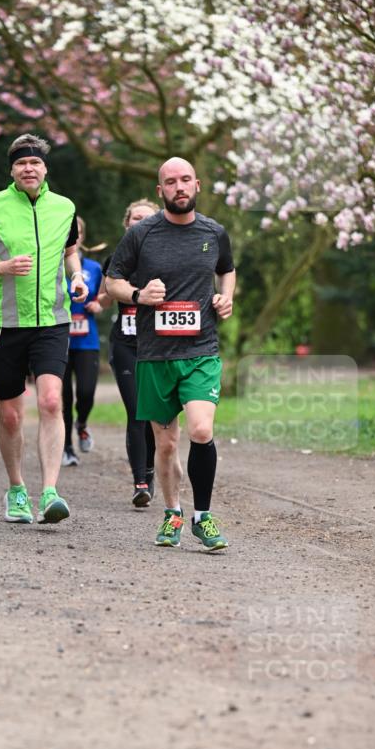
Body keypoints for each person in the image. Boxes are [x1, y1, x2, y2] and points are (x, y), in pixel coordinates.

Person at [0, 133, 88, 524]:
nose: (29, 168)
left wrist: (76, 277)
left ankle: (49, 492)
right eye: (21, 163)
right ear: (12, 170)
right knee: (11, 416)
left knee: (50, 401)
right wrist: (1, 268)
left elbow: (70, 251)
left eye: (35, 163)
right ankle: (16, 489)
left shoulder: (64, 207)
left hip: (52, 321)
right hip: (3, 323)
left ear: (45, 168)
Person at [105, 157, 235, 551]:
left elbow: (227, 269)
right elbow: (113, 281)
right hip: (155, 354)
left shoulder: (214, 231)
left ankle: (203, 517)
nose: (178, 187)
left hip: (200, 351)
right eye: (170, 182)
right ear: (161, 190)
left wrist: (225, 297)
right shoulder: (141, 234)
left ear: (197, 184)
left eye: (184, 180)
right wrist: (139, 295)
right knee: (164, 445)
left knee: (200, 430)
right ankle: (173, 512)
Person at [103, 199, 159, 506]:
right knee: (137, 410)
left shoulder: (167, 259)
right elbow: (106, 295)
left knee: (155, 415)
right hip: (125, 344)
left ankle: (150, 470)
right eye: (134, 218)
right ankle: (140, 481)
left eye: (146, 219)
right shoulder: (116, 260)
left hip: (159, 347)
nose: (139, 223)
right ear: (127, 225)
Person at [61, 216, 103, 466]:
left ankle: (83, 423)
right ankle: (66, 447)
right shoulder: (51, 267)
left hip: (87, 340)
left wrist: (98, 303)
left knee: (86, 392)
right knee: (62, 398)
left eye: (76, 233)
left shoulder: (94, 269)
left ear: (82, 237)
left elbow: (104, 295)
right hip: (58, 341)